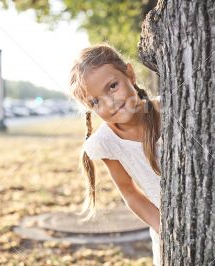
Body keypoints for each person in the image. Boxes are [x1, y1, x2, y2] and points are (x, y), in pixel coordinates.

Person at [68, 42, 162, 266]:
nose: (110, 103)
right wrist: (164, 228)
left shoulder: (169, 110)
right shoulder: (107, 142)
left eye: (112, 86)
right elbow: (129, 192)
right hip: (165, 228)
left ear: (130, 74)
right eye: (95, 101)